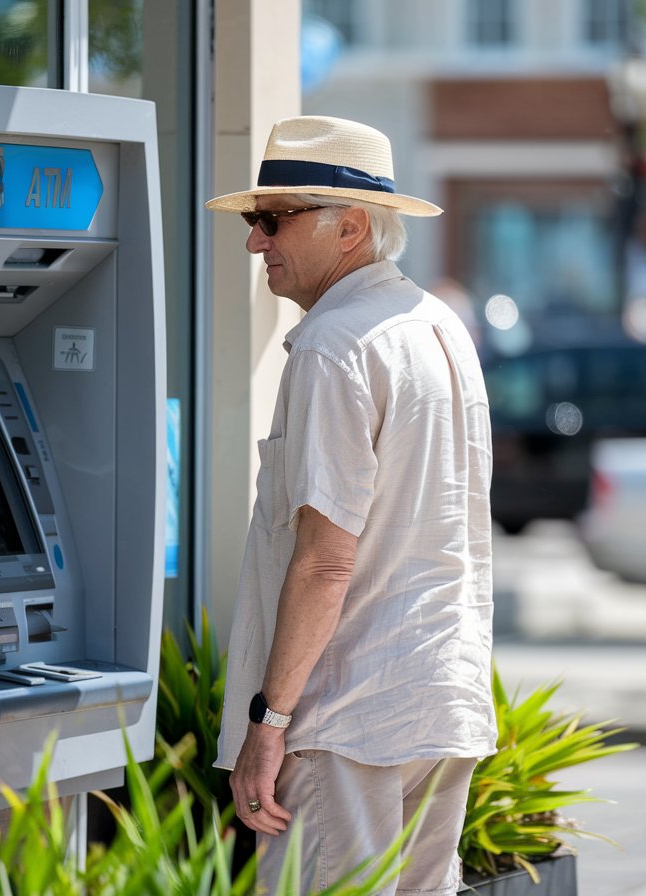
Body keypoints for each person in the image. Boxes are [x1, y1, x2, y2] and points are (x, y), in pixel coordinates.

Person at [206, 115, 496, 895]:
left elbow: (326, 559)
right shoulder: (440, 328)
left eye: (272, 220)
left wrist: (268, 725)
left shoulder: (336, 345)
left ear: (352, 227)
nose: (254, 243)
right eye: (252, 220)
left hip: (347, 720)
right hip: (438, 703)